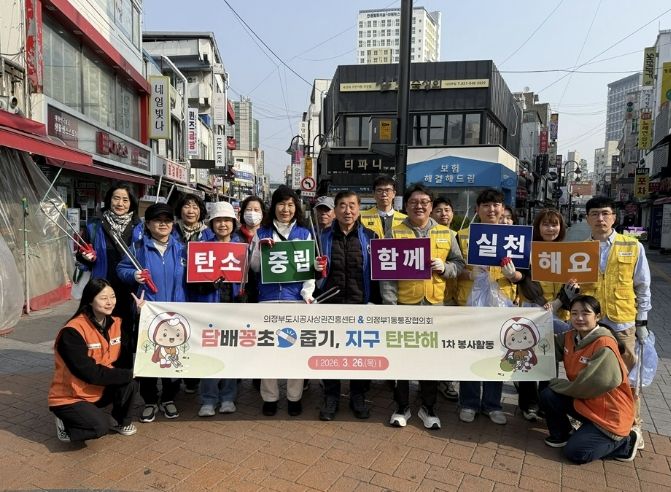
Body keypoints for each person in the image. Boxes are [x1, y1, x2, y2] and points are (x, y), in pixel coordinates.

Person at [381, 183, 465, 430]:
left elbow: (459, 264)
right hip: (405, 305)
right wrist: (390, 306)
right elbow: (387, 274)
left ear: (431, 206)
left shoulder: (446, 234)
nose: (419, 206)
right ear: (406, 206)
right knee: (401, 358)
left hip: (435, 306)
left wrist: (445, 267)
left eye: (424, 202)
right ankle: (402, 407)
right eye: (414, 202)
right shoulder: (394, 233)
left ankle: (428, 407)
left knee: (430, 360)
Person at [579, 195, 651, 445]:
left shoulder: (632, 246)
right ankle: (590, 420)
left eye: (605, 213)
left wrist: (642, 321)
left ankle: (633, 426)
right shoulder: (578, 249)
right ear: (587, 219)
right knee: (588, 374)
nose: (600, 218)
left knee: (627, 379)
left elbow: (643, 285)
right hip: (590, 323)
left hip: (622, 321)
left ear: (614, 217)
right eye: (595, 214)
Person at [539, 295, 642, 463]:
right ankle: (563, 434)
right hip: (588, 404)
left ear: (597, 316)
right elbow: (545, 349)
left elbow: (587, 386)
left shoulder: (604, 345)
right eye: (574, 313)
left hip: (610, 414)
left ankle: (626, 443)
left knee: (576, 453)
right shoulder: (570, 337)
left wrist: (557, 383)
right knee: (548, 394)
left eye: (585, 313)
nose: (579, 318)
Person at [117, 203, 187, 424]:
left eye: (167, 220)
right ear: (147, 224)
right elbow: (122, 269)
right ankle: (149, 400)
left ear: (173, 224)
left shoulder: (182, 249)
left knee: (174, 357)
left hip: (176, 314)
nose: (163, 224)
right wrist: (133, 275)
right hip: (148, 313)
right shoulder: (138, 247)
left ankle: (168, 398)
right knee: (149, 357)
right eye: (158, 220)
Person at [250, 185, 316, 417]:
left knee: (295, 351)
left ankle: (294, 397)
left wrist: (308, 293)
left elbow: (309, 269)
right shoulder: (262, 232)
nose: (285, 209)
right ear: (274, 207)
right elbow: (253, 267)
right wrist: (260, 250)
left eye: (290, 204)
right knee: (267, 350)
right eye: (281, 204)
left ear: (296, 207)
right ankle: (270, 397)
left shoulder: (304, 233)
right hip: (267, 300)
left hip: (295, 300)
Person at [314, 191, 381, 421]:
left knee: (359, 352)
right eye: (342, 205)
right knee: (330, 351)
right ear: (335, 210)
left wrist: (375, 301)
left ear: (359, 209)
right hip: (329, 303)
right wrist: (315, 269)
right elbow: (310, 272)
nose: (347, 210)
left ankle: (357, 395)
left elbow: (377, 274)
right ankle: (331, 396)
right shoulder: (321, 238)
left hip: (359, 304)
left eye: (352, 205)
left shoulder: (370, 237)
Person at [48, 278, 139, 443]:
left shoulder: (117, 323)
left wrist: (142, 316)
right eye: (103, 298)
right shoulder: (72, 331)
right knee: (99, 428)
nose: (110, 302)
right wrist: (128, 374)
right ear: (90, 300)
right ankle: (65, 424)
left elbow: (137, 345)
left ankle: (120, 422)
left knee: (130, 383)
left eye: (112, 297)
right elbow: (89, 373)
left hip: (98, 390)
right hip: (71, 396)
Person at [456, 189, 517, 425]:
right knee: (470, 351)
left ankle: (493, 404)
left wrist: (514, 275)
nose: (492, 210)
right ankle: (469, 402)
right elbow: (454, 268)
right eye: (486, 206)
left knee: (497, 354)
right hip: (470, 304)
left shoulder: (514, 237)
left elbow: (524, 274)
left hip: (502, 304)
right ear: (477, 210)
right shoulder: (462, 236)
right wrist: (470, 273)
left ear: (502, 208)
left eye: (496, 205)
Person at [512, 208, 570, 421]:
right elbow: (523, 280)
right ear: (537, 227)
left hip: (557, 314)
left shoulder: (568, 253)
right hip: (531, 311)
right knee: (526, 357)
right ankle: (528, 404)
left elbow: (573, 283)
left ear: (561, 228)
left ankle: (546, 403)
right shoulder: (527, 251)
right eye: (545, 224)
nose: (550, 229)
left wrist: (558, 302)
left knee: (549, 360)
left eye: (554, 224)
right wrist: (542, 303)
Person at [192, 201, 244, 418]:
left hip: (233, 308)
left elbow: (251, 278)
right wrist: (206, 286)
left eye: (227, 220)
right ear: (211, 224)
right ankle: (208, 399)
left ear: (233, 223)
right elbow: (192, 280)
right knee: (209, 354)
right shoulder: (202, 247)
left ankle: (228, 397)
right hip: (209, 308)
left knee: (230, 353)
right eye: (218, 220)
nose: (223, 225)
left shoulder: (242, 247)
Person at [78, 183, 143, 344]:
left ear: (131, 203)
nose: (120, 204)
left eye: (125, 200)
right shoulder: (95, 225)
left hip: (130, 289)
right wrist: (86, 257)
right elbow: (82, 252)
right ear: (109, 200)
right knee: (100, 329)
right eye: (116, 198)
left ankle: (124, 359)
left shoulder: (140, 228)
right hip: (102, 287)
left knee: (126, 331)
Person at [172, 193, 213, 394]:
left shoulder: (208, 234)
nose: (191, 211)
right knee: (176, 334)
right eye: (187, 206)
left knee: (196, 334)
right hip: (176, 290)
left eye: (195, 207)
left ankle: (192, 378)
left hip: (200, 293)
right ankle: (174, 377)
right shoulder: (171, 231)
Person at [431, 196, 460, 402]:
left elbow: (460, 265)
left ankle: (446, 381)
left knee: (447, 344)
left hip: (453, 298)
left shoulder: (456, 236)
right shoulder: (424, 234)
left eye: (447, 210)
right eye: (439, 210)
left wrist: (446, 268)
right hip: (432, 298)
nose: (443, 214)